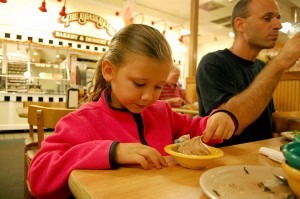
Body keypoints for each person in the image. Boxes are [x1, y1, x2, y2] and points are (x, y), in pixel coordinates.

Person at [28, 24, 237, 198]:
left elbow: (198, 129)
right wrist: (111, 152)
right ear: (109, 71)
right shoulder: (82, 120)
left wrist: (219, 118)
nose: (148, 97)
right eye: (139, 84)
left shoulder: (161, 111)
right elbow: (39, 177)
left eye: (158, 86)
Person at [196, 0, 300, 146]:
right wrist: (279, 62)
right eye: (267, 18)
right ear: (240, 25)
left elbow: (268, 120)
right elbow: (229, 121)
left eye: (278, 18)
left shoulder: (262, 67)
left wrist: (294, 124)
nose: (278, 25)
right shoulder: (213, 63)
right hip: (225, 163)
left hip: (261, 157)